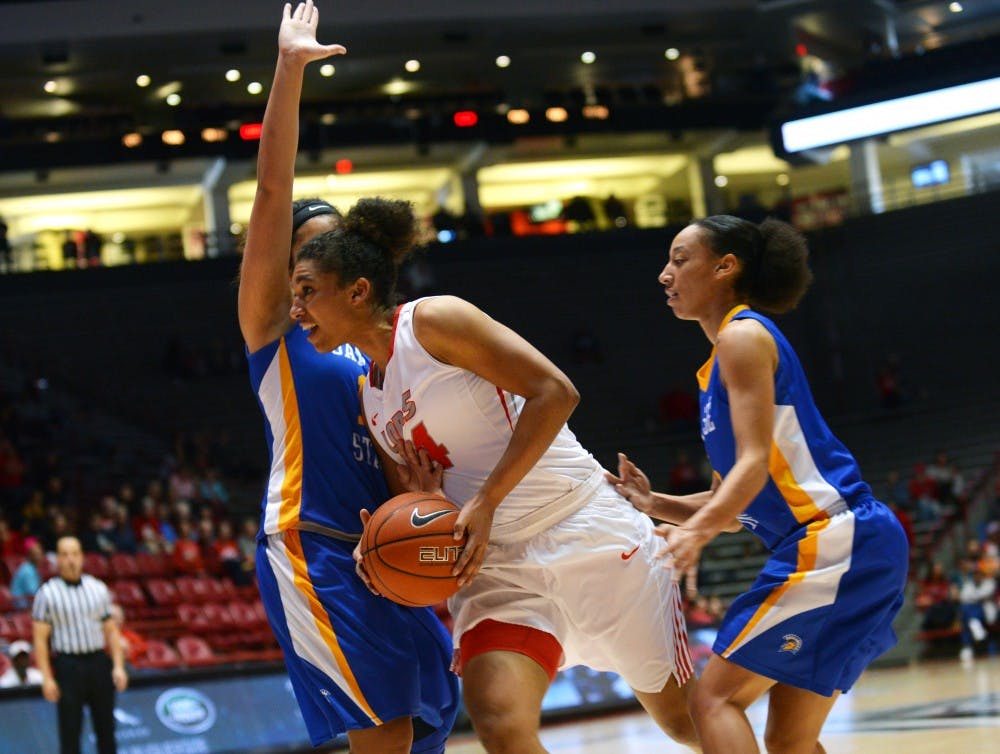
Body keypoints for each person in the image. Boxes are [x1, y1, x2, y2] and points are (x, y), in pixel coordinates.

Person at [290, 199, 698, 754]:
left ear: (358, 291)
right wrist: (400, 526)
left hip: (584, 531)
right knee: (500, 722)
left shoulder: (433, 321)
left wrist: (484, 500)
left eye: (308, 291)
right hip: (499, 568)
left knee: (686, 724)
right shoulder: (372, 394)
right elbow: (415, 500)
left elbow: (556, 392)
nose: (296, 309)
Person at [237, 4, 457, 753]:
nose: (325, 262)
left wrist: (422, 500)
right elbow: (272, 193)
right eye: (309, 249)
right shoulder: (273, 329)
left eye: (339, 249)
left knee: (431, 717)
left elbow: (401, 467)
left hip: (383, 552)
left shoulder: (379, 353)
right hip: (314, 543)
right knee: (386, 727)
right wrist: (289, 70)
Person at [609, 214, 909, 754]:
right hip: (845, 543)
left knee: (712, 701)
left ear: (725, 267)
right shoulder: (716, 366)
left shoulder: (742, 337)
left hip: (833, 539)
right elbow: (735, 493)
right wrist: (656, 503)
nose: (664, 274)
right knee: (790, 742)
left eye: (680, 259)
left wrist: (696, 533)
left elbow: (749, 469)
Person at [31, 536, 128, 754]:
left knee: (107, 731)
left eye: (74, 553)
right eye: (64, 555)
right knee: (70, 733)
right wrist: (47, 678)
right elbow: (40, 640)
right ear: (57, 560)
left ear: (82, 557)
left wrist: (119, 666)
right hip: (68, 665)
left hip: (98, 662)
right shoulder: (47, 593)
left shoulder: (98, 588)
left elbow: (112, 631)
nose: (70, 559)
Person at [10, 536, 44, 609]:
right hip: (21, 606)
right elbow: (33, 594)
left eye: (40, 553)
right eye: (36, 554)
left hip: (27, 604)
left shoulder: (32, 567)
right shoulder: (27, 570)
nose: (39, 556)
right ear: (29, 555)